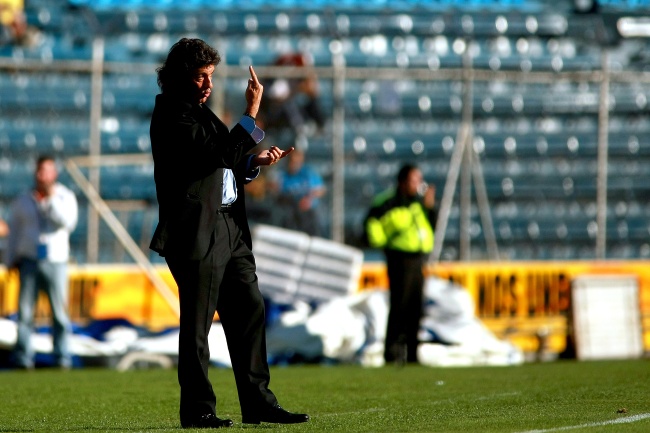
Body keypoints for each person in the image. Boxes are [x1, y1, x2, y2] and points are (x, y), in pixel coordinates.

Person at [149, 38, 309, 429]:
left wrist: (251, 163)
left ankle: (259, 404)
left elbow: (222, 164)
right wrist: (251, 112)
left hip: (229, 228)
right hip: (197, 233)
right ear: (179, 75)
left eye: (211, 76)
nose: (208, 84)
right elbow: (215, 154)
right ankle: (199, 410)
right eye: (201, 76)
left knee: (250, 310)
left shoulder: (199, 113)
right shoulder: (172, 113)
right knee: (199, 326)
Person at [4, 155, 78, 370]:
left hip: (56, 260)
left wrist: (50, 200)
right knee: (25, 313)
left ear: (54, 173)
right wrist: (10, 260)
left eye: (46, 171)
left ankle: (62, 357)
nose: (42, 175)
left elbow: (67, 222)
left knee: (59, 313)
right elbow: (14, 232)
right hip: (28, 260)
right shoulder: (23, 199)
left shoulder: (64, 196)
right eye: (39, 171)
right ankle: (23, 358)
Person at [364, 164, 436, 365]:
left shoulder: (419, 203)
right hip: (399, 258)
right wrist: (384, 244)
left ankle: (412, 353)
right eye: (414, 180)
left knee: (415, 307)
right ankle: (393, 353)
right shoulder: (389, 202)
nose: (418, 184)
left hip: (417, 258)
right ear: (403, 182)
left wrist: (431, 207)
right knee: (400, 306)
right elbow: (371, 223)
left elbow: (431, 226)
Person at [271, 148, 326, 237]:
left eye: (296, 161)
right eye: (292, 161)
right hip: (290, 211)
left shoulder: (308, 173)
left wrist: (309, 199)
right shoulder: (283, 175)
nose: (294, 164)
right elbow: (276, 191)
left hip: (309, 212)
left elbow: (320, 190)